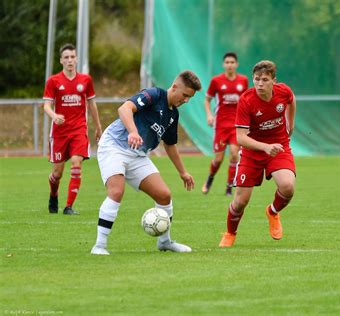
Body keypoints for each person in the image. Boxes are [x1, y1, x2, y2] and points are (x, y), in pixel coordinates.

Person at [90, 70, 201, 255]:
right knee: (116, 191)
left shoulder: (173, 115)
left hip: (137, 154)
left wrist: (183, 172)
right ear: (175, 87)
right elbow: (124, 109)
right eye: (185, 95)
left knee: (164, 195)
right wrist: (133, 131)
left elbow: (170, 145)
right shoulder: (154, 94)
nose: (186, 100)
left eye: (190, 97)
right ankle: (99, 246)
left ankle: (165, 242)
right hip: (114, 146)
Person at [218, 60, 296, 247]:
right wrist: (264, 147)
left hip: (279, 146)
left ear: (273, 81)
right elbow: (241, 138)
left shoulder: (283, 91)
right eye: (257, 79)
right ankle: (230, 233)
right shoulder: (246, 100)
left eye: (265, 80)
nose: (260, 84)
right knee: (240, 202)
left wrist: (289, 125)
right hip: (252, 152)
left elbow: (292, 101)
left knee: (287, 187)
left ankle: (273, 211)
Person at [43, 43, 102, 215]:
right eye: (66, 57)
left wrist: (98, 127)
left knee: (76, 163)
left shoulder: (85, 80)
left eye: (72, 57)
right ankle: (53, 194)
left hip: (78, 130)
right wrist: (54, 116)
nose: (70, 60)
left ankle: (68, 206)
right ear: (61, 60)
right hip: (59, 132)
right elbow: (46, 105)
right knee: (57, 174)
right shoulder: (53, 81)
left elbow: (91, 104)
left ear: (76, 59)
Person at [202, 52, 248, 196]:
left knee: (235, 155)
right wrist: (209, 115)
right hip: (221, 125)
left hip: (237, 125)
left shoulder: (243, 80)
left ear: (236, 64)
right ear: (223, 64)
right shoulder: (216, 81)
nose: (229, 65)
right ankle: (210, 178)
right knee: (218, 159)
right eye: (227, 62)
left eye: (232, 62)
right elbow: (207, 100)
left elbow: (246, 101)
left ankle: (229, 187)